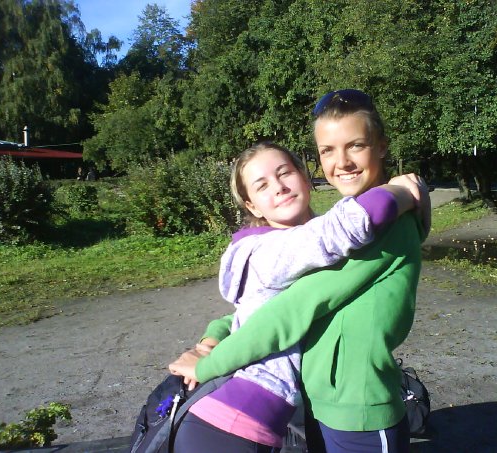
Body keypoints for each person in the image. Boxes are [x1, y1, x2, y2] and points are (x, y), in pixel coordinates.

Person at [170, 89, 430, 453]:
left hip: (358, 405)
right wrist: (402, 192)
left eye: (356, 145)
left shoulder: (378, 230)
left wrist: (209, 359)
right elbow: (273, 305)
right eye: (328, 150)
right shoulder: (309, 242)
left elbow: (288, 309)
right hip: (307, 406)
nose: (342, 162)